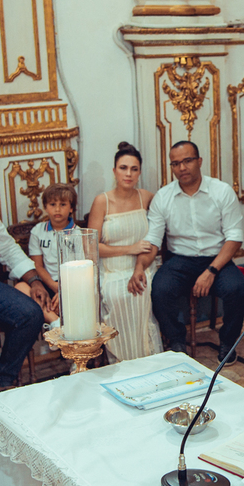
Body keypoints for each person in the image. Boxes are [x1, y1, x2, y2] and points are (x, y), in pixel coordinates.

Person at [144, 141, 244, 364]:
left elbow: (234, 237)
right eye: (175, 163)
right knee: (160, 289)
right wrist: (138, 268)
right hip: (180, 259)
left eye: (187, 161)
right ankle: (176, 341)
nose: (182, 168)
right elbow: (153, 240)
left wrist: (211, 270)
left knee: (237, 288)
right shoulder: (163, 197)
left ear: (199, 161)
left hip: (216, 258)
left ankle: (228, 343)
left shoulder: (221, 191)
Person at [87, 142, 163, 362]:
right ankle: (121, 361)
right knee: (117, 295)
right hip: (111, 268)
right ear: (114, 171)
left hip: (143, 265)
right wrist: (129, 248)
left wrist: (140, 259)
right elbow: (92, 247)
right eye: (123, 168)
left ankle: (148, 359)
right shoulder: (102, 201)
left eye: (134, 169)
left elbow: (157, 233)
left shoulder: (147, 198)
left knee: (145, 292)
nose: (128, 173)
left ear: (139, 172)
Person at [19, 182, 78, 326]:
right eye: (52, 204)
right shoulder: (38, 231)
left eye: (63, 204)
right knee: (20, 287)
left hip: (72, 284)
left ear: (71, 208)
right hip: (47, 283)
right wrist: (53, 286)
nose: (57, 209)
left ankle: (68, 329)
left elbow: (80, 268)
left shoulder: (79, 234)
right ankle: (56, 323)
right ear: (45, 207)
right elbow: (37, 266)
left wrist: (64, 290)